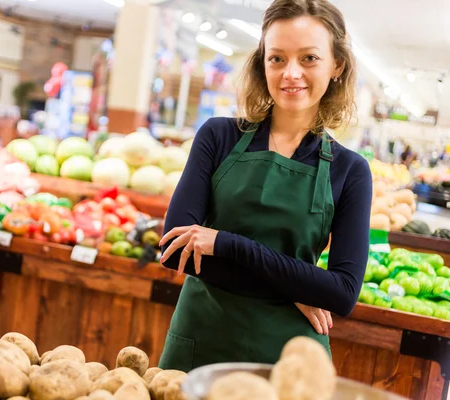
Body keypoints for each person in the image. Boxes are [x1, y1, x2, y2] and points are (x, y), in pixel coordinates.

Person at [158, 0, 373, 372]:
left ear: (336, 65)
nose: (291, 73)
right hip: (203, 340)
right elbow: (175, 251)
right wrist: (296, 288)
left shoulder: (350, 171)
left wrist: (226, 244)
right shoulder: (218, 136)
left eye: (309, 58)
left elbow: (341, 293)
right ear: (262, 63)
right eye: (277, 58)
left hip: (289, 361)